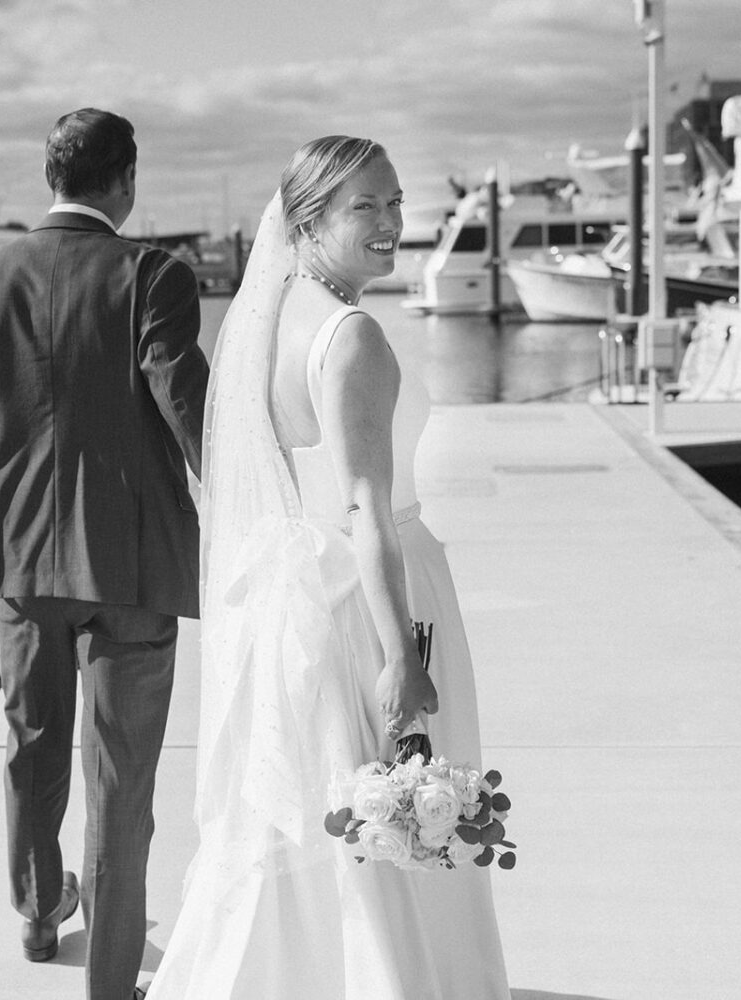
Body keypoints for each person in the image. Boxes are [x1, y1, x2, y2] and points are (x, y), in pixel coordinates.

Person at [147, 136, 510, 998]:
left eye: (395, 203)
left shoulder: (275, 317)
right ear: (308, 220)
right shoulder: (351, 337)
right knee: (391, 821)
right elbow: (364, 509)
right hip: (378, 598)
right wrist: (402, 658)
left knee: (329, 824)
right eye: (366, 208)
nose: (391, 225)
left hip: (310, 597)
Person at [0, 107, 208, 1000]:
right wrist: (249, 504)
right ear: (125, 179)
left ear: (52, 178)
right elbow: (186, 405)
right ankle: (112, 982)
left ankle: (42, 913)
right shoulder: (154, 274)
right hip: (131, 561)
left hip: (22, 563)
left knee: (35, 741)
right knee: (122, 775)